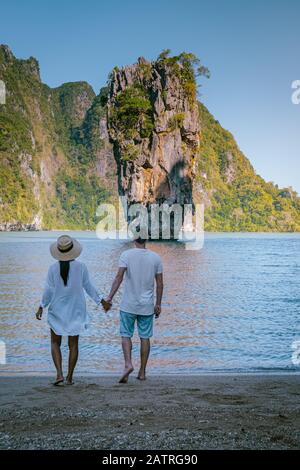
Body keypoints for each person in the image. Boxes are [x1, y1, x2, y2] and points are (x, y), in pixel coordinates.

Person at [36, 235, 109, 385]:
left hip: (57, 309)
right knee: (73, 345)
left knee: (55, 342)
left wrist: (41, 306)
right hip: (76, 310)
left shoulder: (52, 268)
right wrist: (102, 301)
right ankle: (69, 378)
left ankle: (59, 374)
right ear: (72, 250)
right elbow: (89, 287)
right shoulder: (81, 267)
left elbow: (48, 291)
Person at [104, 237, 164, 383]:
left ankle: (128, 364)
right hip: (147, 306)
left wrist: (109, 298)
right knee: (145, 337)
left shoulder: (126, 255)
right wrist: (158, 304)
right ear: (146, 239)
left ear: (134, 238)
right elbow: (160, 284)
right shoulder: (156, 258)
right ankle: (142, 372)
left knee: (126, 335)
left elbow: (119, 277)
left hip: (128, 305)